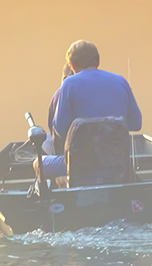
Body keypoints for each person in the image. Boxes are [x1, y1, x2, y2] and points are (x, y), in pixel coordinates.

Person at [39, 40, 142, 179]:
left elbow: (60, 131)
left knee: (39, 162)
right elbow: (136, 124)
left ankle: (54, 195)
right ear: (97, 61)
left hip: (80, 165)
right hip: (116, 162)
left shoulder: (68, 84)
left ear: (72, 65)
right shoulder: (121, 80)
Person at [42, 63, 76, 155]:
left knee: (44, 139)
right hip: (91, 148)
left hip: (68, 153)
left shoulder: (59, 95)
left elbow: (54, 130)